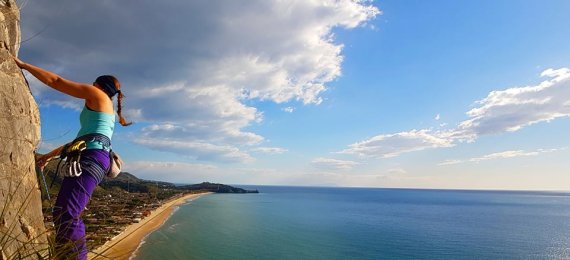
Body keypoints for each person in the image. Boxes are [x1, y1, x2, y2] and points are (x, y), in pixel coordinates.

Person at [12, 55, 131, 259]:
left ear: (97, 85)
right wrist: (49, 156)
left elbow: (55, 81)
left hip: (91, 157)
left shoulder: (97, 95)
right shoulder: (104, 110)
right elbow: (83, 138)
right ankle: (63, 254)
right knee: (62, 212)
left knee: (68, 213)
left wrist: (23, 65)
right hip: (93, 156)